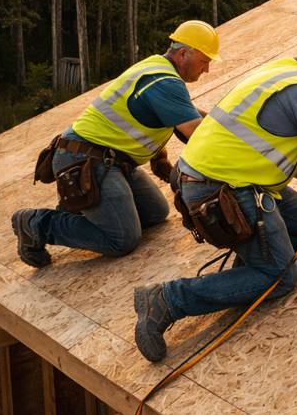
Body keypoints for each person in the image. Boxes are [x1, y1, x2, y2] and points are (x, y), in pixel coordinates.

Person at [132, 23, 297, 362]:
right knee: (279, 276)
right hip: (221, 189)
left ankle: (252, 258)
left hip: (216, 177)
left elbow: (269, 145)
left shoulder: (282, 71)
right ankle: (167, 300)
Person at [11, 21, 220, 268]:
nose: (206, 70)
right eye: (204, 61)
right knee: (121, 239)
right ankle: (36, 223)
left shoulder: (156, 69)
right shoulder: (164, 82)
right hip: (85, 158)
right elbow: (195, 133)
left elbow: (159, 117)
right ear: (184, 53)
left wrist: (161, 158)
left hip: (113, 161)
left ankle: (82, 208)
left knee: (155, 213)